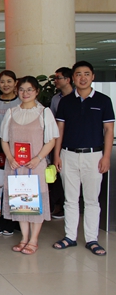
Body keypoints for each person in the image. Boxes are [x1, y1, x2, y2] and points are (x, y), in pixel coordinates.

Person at [53, 61, 114, 256]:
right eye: (78, 74)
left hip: (94, 156)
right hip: (68, 155)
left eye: (86, 74)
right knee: (70, 199)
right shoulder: (66, 102)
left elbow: (109, 130)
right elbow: (60, 130)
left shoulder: (104, 101)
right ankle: (70, 236)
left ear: (92, 77)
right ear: (73, 78)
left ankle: (92, 239)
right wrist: (56, 155)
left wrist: (106, 156)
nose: (83, 77)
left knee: (92, 200)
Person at [0, 76, 58, 255]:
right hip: (15, 165)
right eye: (22, 90)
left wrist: (38, 158)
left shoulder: (44, 112)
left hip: (35, 165)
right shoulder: (11, 113)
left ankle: (34, 240)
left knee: (35, 201)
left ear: (37, 91)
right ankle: (24, 238)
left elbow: (51, 140)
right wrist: (10, 157)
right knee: (19, 201)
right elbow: (4, 139)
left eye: (29, 89)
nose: (25, 93)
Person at [0, 70, 21, 236]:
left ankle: (12, 221)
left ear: (15, 83)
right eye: (2, 81)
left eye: (9, 81)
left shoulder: (21, 102)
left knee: (14, 185)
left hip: (17, 150)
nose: (6, 84)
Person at [49, 67, 72, 219]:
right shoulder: (55, 99)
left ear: (68, 80)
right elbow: (52, 121)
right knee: (56, 173)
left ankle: (63, 206)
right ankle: (54, 204)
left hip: (72, 141)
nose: (55, 81)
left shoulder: (76, 98)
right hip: (57, 140)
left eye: (58, 78)